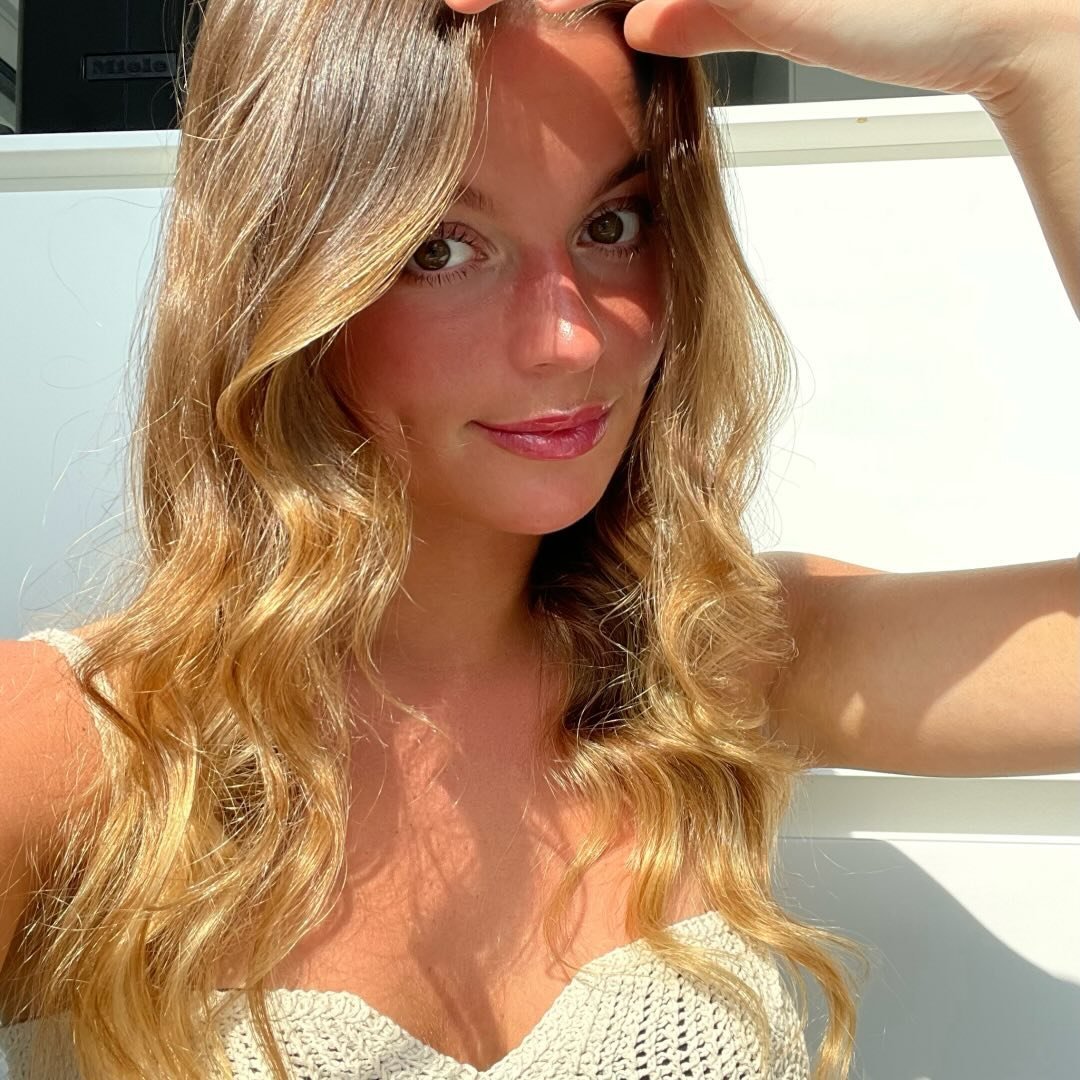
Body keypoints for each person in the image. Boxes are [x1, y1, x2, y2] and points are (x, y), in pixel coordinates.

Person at [0, 1, 1076, 1078]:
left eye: (613, 226)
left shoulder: (711, 661)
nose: (567, 339)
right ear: (280, 280)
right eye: (439, 247)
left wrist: (1031, 50)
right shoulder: (89, 748)